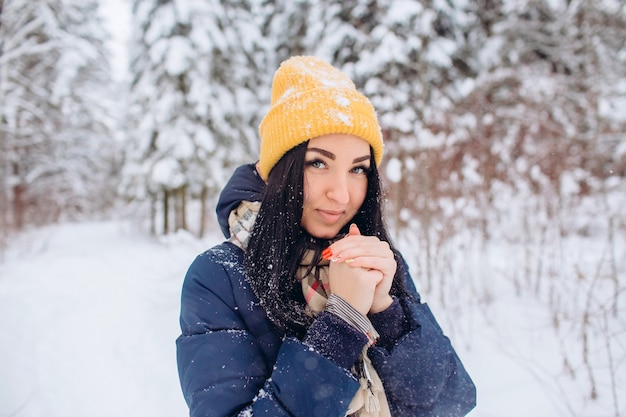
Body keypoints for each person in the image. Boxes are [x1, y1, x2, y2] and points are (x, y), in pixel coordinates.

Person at [176, 55, 476, 417]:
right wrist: (342, 323)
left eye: (358, 169)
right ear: (279, 170)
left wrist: (386, 311)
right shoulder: (218, 277)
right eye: (318, 163)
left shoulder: (374, 258)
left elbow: (449, 403)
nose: (342, 194)